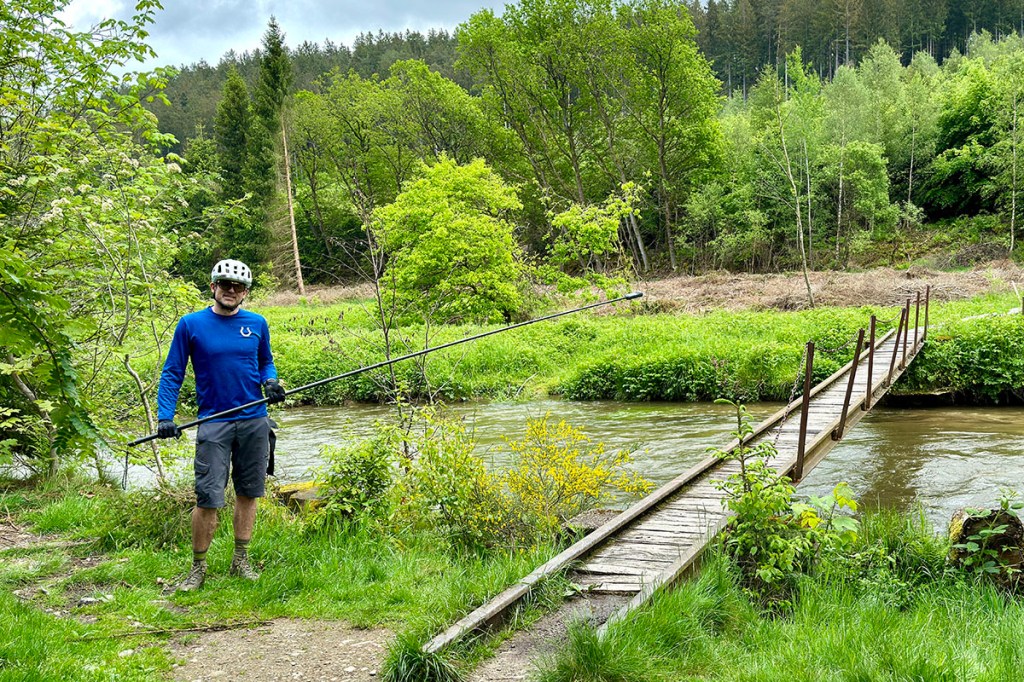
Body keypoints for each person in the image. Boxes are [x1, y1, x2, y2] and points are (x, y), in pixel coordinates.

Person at [156, 259, 286, 592]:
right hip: (214, 422)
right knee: (208, 498)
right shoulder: (191, 324)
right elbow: (173, 372)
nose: (231, 291)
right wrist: (165, 417)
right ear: (213, 286)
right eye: (224, 284)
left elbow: (265, 361)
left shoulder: (257, 323)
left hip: (254, 420)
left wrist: (270, 382)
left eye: (238, 287)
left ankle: (240, 561)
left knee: (249, 493)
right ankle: (198, 568)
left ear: (245, 292)